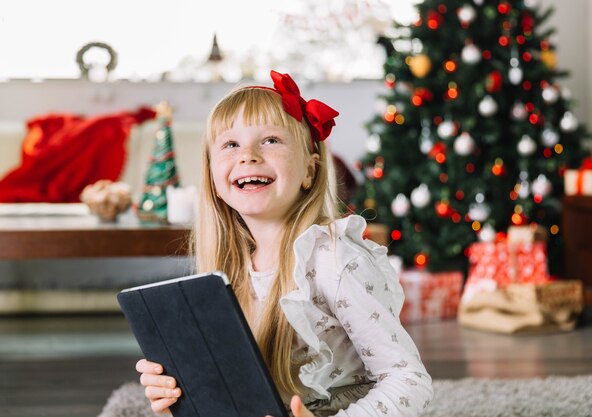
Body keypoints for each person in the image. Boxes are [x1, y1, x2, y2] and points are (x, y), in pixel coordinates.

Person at [135, 70, 433, 416]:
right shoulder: (230, 265)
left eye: (270, 140)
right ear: (214, 180)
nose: (248, 155)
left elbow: (410, 381)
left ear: (310, 170)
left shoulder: (334, 258)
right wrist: (178, 392)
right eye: (230, 144)